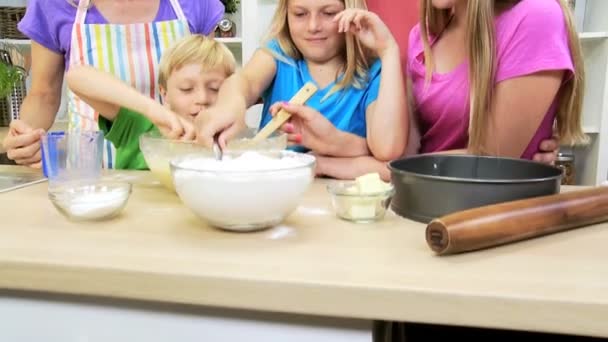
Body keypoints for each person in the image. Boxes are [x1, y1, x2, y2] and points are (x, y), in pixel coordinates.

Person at [307, 0, 579, 180]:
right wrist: (332, 150)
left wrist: (333, 165)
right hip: (423, 201)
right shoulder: (423, 36)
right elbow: (406, 154)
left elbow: (490, 161)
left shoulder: (536, 16)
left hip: (496, 217)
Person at [2, 0, 224, 168]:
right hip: (88, 174)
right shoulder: (54, 4)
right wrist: (26, 138)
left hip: (180, 162)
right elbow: (44, 94)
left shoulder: (196, 2)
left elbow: (211, 86)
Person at [195, 0, 408, 168]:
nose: (313, 26)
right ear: (285, 15)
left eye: (328, 13)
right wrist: (230, 107)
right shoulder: (278, 55)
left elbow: (388, 148)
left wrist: (388, 50)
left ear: (351, 12)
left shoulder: (374, 73)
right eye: (300, 14)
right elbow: (245, 82)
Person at [66, 35, 236, 169]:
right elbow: (76, 77)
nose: (202, 99)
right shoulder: (140, 125)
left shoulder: (229, 139)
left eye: (215, 88)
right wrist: (151, 109)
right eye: (186, 89)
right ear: (165, 94)